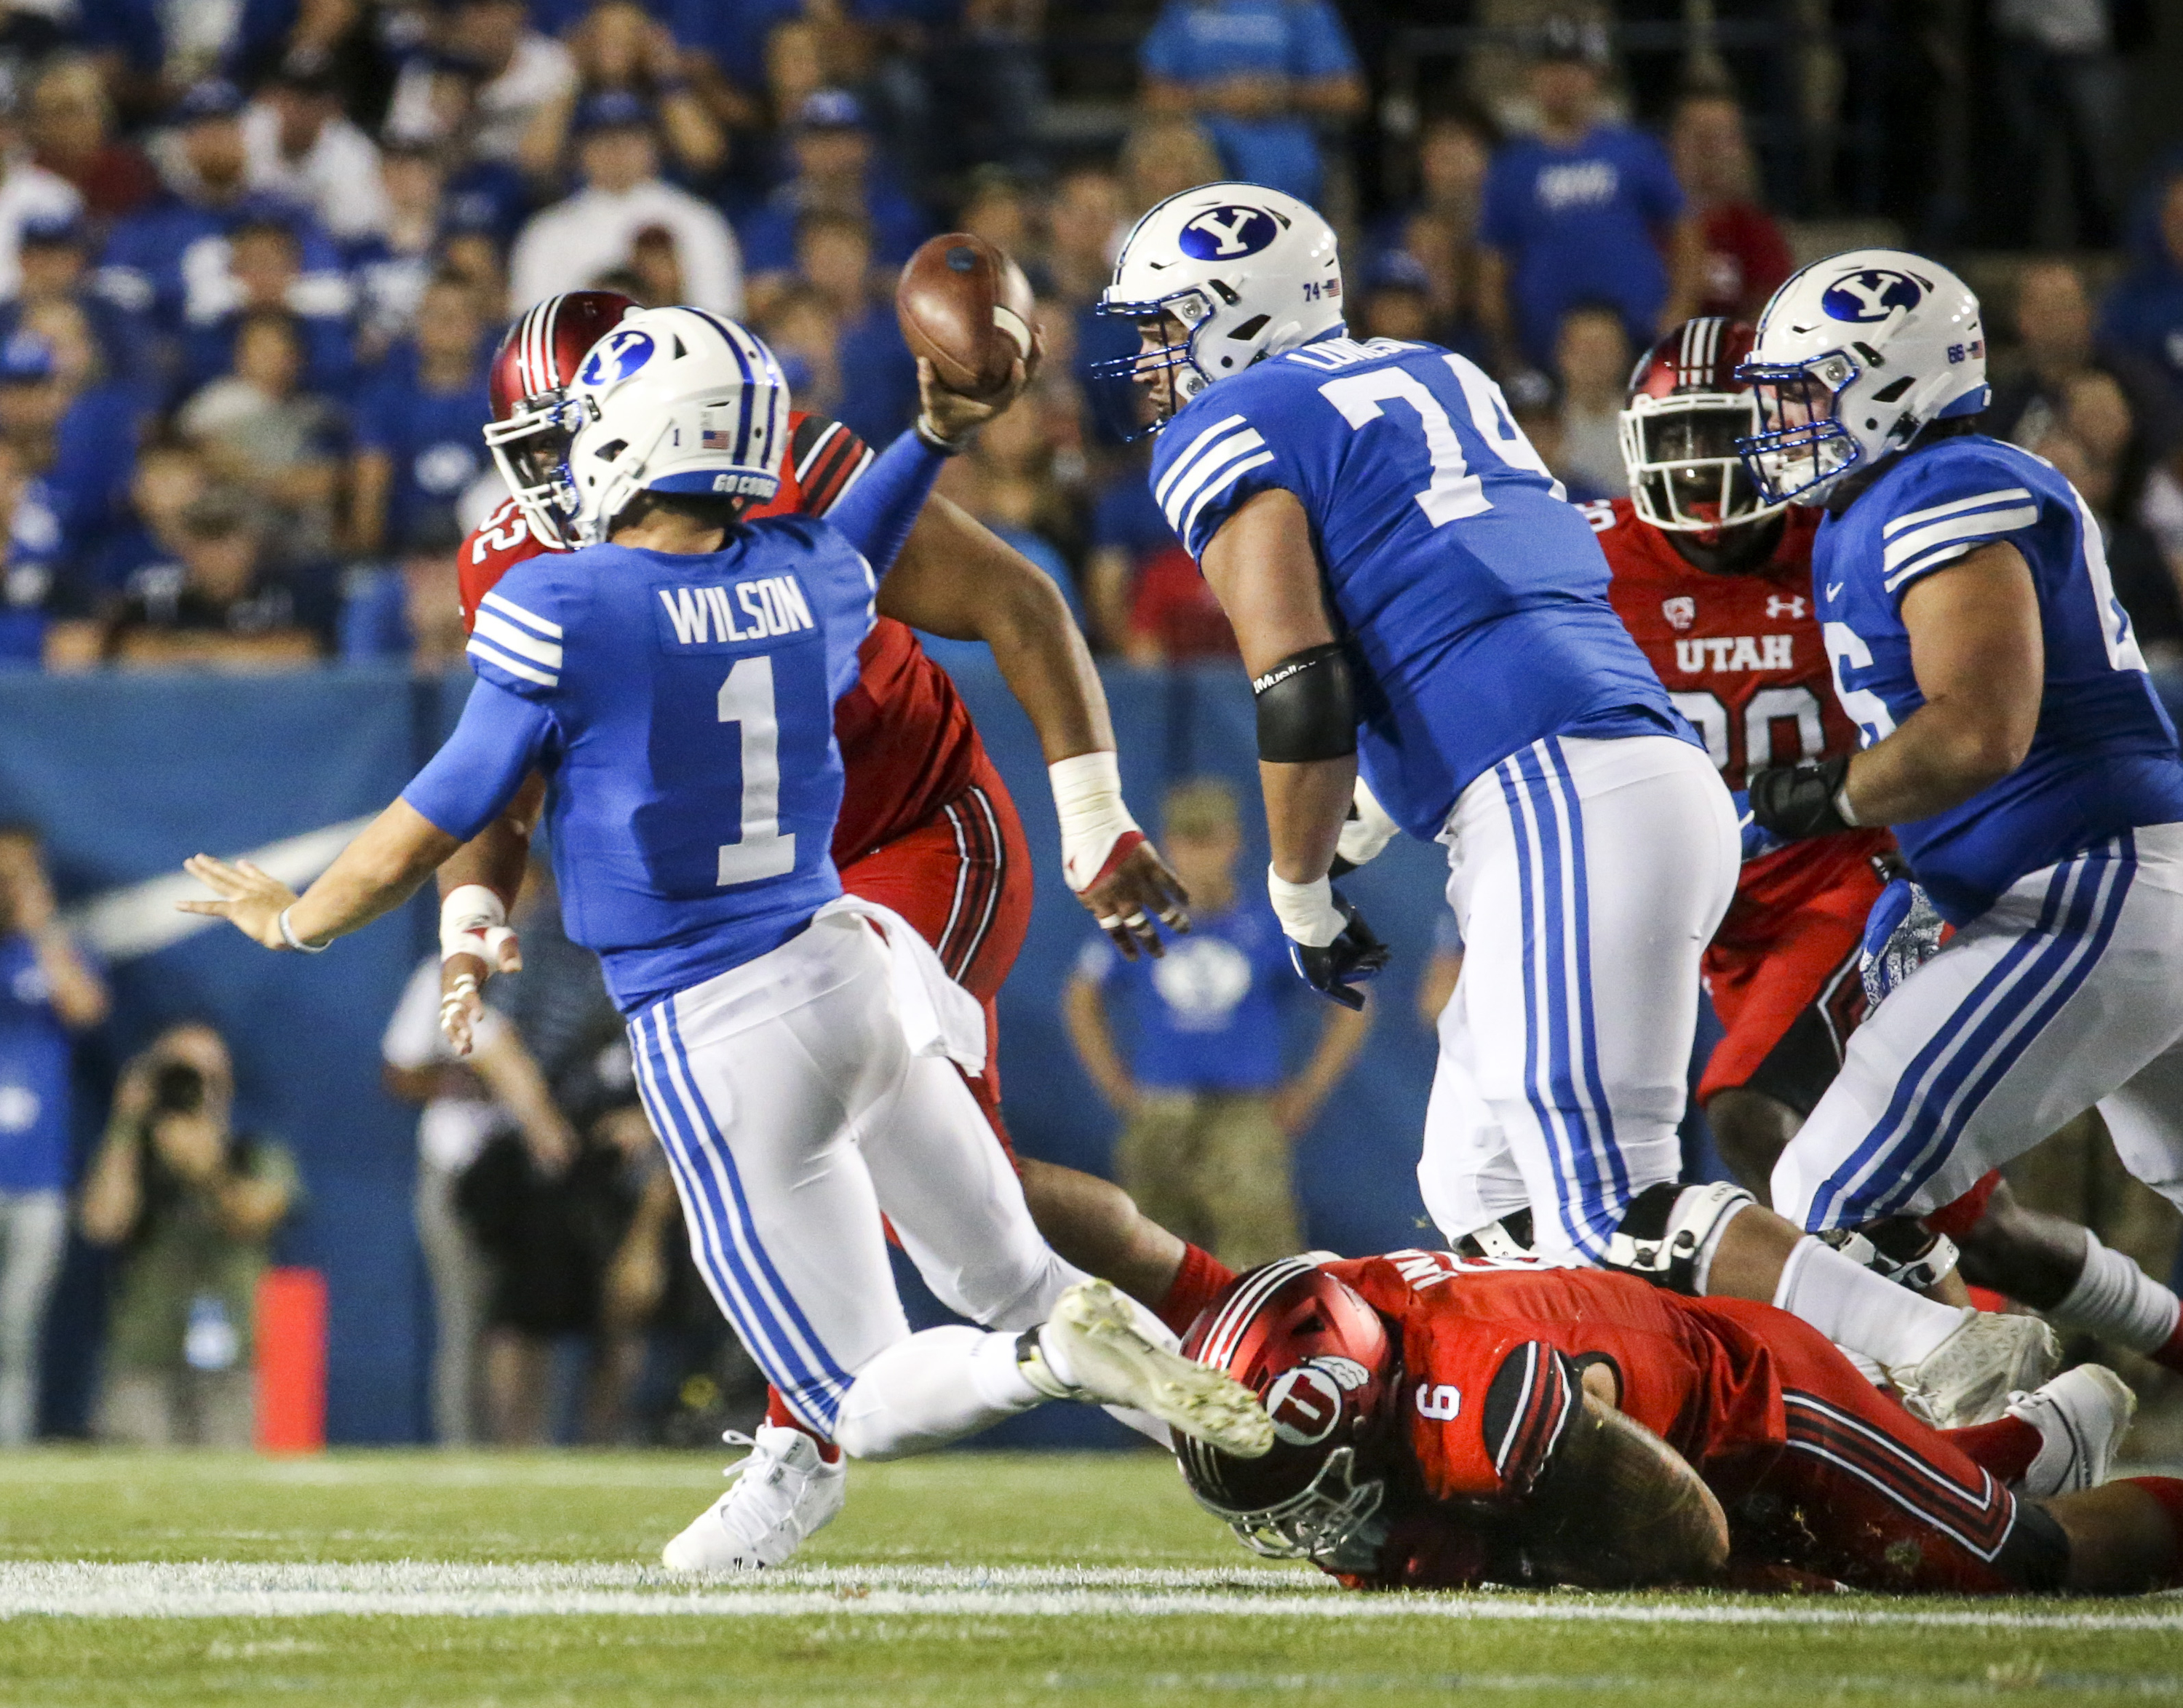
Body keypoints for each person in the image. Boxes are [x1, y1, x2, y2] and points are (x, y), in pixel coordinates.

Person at [178, 307, 1270, 1556]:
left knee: (884, 1364)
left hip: (765, 963)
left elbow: (446, 804)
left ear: (624, 434)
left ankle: (895, 1411)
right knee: (1002, 1243)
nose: (553, 469)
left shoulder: (561, 597)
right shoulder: (804, 564)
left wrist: (296, 919)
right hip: (832, 930)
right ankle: (1279, 1442)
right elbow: (861, 542)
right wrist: (935, 430)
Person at [1098, 183, 2050, 1428]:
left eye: (1172, 319)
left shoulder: (1230, 421)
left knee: (1614, 1202)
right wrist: (1381, 807)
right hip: (1624, 773)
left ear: (1238, 314)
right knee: (1479, 1187)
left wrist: (1298, 885)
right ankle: (1631, 1427)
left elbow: (1301, 678)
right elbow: (1460, 598)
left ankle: (1926, 1344)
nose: (1155, 354)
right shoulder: (1442, 373)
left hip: (1553, 790)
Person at [1584, 317, 2183, 1379]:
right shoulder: (1591, 559)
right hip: (1718, 909)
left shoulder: (1891, 511)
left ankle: (1965, 1419)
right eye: (1684, 439)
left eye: (1748, 425)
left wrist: (1855, 824)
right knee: (1978, 1220)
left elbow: (1972, 726)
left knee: (1785, 1144)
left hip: (1856, 886)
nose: (1721, 462)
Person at [1730, 250, 2183, 1347]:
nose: (1784, 421)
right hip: (2098, 879)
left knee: (1828, 1193)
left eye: (1809, 389)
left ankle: (1948, 1484)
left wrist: (1825, 796)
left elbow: (1982, 728)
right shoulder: (1872, 507)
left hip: (2088, 878)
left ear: (1891, 380)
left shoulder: (1951, 482)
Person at [1177, 1252, 2182, 1596]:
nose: (1315, 1526)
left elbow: (1681, 1529)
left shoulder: (1481, 1399)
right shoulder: (1359, 1322)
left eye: (1316, 1486)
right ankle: (2034, 1438)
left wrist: (1515, 1559)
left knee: (2023, 1561)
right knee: (1910, 1523)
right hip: (1684, 1410)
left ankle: (2046, 1476)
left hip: (1768, 1415)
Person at [1065, 778, 1368, 1269]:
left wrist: (1308, 1090)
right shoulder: (1141, 917)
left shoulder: (1271, 923)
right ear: (1168, 844)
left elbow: (1351, 1001)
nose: (1199, 854)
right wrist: (1117, 1086)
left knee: (1259, 1256)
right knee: (1152, 1256)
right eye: (1187, 839)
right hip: (1161, 1109)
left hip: (1245, 1114)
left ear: (1234, 842)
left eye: (1210, 839)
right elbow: (1082, 997)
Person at [383, 945, 577, 1446]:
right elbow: (400, 1071)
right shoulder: (448, 972)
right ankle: (463, 1450)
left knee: (533, 1317)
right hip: (462, 1167)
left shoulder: (558, 969)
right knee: (467, 1315)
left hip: (530, 1173)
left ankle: (526, 1447)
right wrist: (475, 1078)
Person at [78, 1023, 300, 1448]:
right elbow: (102, 1223)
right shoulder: (133, 1156)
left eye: (204, 1077)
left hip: (232, 1357)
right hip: (144, 1352)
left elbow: (254, 1215)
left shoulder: (254, 1153)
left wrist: (208, 1166)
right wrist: (127, 1121)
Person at [1475, 18, 1701, 373]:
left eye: (1573, 68)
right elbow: (1493, 266)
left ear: (1596, 74)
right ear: (1531, 78)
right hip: (1545, 350)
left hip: (1643, 343)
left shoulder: (1636, 150)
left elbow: (1686, 234)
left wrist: (1677, 312)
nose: (1561, 80)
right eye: (1549, 68)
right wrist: (1506, 348)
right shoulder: (1511, 167)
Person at [0, 823, 108, 1443]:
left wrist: (40, 926)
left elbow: (86, 1009)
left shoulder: (57, 950)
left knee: (18, 1330)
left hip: (35, 1173)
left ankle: (9, 1452)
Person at [506, 92, 742, 318]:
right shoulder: (548, 231)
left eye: (630, 136)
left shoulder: (697, 220)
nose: (616, 149)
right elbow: (532, 330)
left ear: (656, 144)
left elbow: (721, 316)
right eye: (601, 139)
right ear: (578, 150)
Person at [1137, 0, 1365, 207]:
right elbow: (1153, 96)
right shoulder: (1190, 7)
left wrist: (1276, 95)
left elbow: (1350, 94)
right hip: (1201, 148)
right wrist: (1215, 97)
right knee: (1168, 162)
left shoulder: (1301, 7)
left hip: (1288, 152)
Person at [348, 274, 491, 560]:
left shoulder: (503, 396)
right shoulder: (387, 399)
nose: (447, 325)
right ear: (419, 324)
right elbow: (371, 490)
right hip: (404, 554)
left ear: (478, 326)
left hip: (490, 552)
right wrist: (366, 559)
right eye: (437, 315)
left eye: (459, 315)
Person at [106, 489, 330, 669]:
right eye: (204, 541)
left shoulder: (287, 590)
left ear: (253, 545)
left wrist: (205, 651)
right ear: (183, 549)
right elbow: (131, 653)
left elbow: (303, 652)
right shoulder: (157, 594)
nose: (215, 556)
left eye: (226, 542)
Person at [1667, 90, 1793, 322]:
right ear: (1672, 142)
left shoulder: (1756, 229)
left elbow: (1771, 310)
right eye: (1698, 136)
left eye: (1723, 137)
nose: (1710, 150)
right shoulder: (1642, 223)